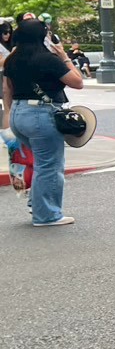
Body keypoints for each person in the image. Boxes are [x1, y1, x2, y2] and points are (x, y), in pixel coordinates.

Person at [2, 19, 85, 227]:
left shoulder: (12, 59)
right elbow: (77, 82)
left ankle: (37, 204)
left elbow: (7, 89)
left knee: (41, 162)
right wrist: (64, 57)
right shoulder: (49, 59)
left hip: (18, 114)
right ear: (42, 36)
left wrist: (8, 116)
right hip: (40, 115)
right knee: (49, 165)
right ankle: (47, 215)